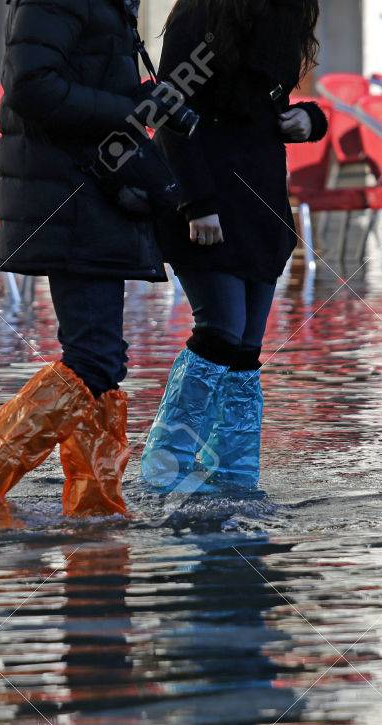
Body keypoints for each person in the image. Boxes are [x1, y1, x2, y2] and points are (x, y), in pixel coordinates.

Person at [0, 0, 193, 531]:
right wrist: (129, 108)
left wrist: (137, 99)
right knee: (93, 359)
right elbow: (31, 87)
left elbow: (75, 80)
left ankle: (95, 509)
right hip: (70, 192)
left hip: (87, 188)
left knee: (102, 359)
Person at [139, 0, 328, 495]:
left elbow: (268, 102)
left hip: (261, 196)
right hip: (204, 195)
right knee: (220, 331)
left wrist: (308, 120)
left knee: (246, 349)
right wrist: (197, 203)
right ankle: (166, 466)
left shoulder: (283, 14)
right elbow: (170, 112)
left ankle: (234, 473)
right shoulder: (198, 14)